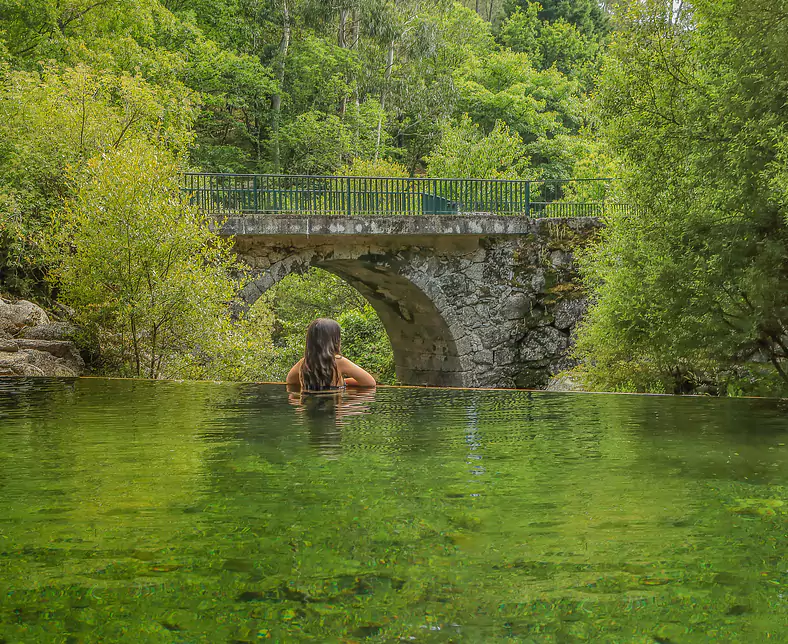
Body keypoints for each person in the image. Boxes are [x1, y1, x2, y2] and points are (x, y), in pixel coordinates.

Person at [286, 318, 376, 391]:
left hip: (309, 408)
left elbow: (290, 381)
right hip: (334, 407)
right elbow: (370, 383)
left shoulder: (303, 363)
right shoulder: (338, 361)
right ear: (335, 341)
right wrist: (346, 407)